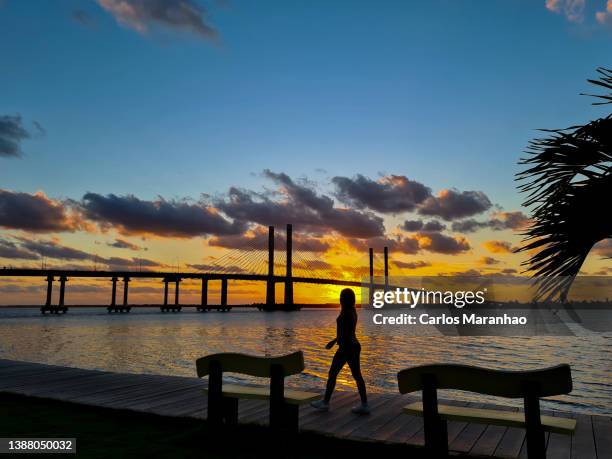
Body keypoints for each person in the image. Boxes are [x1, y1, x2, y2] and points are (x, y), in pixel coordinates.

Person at [311, 288, 369, 414]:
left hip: (347, 348)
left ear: (348, 299)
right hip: (351, 346)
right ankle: (364, 404)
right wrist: (334, 341)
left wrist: (341, 345)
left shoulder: (348, 312)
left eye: (343, 296)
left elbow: (347, 332)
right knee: (354, 375)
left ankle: (326, 403)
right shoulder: (350, 311)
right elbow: (346, 331)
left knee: (335, 374)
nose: (340, 298)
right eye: (340, 296)